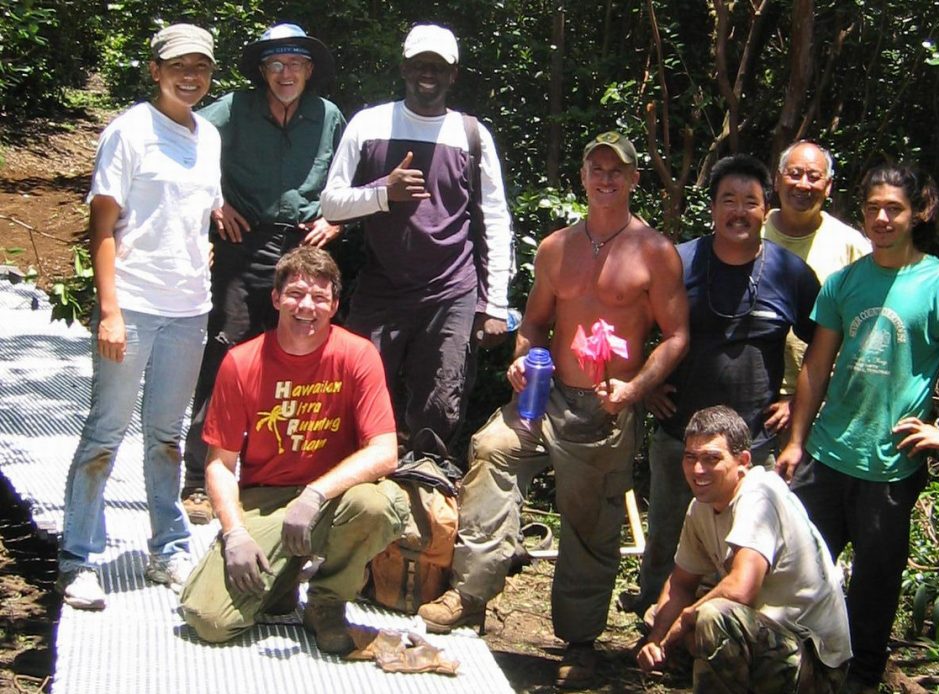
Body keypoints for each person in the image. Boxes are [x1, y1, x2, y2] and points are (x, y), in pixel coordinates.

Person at [417, 131, 690, 688]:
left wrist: (634, 389)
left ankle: (580, 642)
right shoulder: (556, 247)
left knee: (591, 523)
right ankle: (470, 596)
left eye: (618, 171)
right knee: (491, 452)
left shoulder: (655, 252)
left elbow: (677, 335)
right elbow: (536, 322)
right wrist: (522, 359)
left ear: (634, 179)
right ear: (584, 176)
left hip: (605, 408)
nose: (606, 179)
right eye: (597, 168)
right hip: (545, 396)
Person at [776, 163, 939, 692]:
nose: (881, 218)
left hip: (891, 464)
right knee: (809, 574)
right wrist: (796, 442)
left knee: (875, 585)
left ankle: (862, 678)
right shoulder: (846, 282)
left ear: (918, 212)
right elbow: (816, 366)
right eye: (873, 207)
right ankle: (807, 675)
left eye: (893, 209)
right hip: (828, 454)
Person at [56, 25, 221, 611]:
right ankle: (79, 556)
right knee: (105, 432)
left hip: (189, 309)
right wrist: (109, 311)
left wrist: (203, 248)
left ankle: (168, 548)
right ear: (155, 69)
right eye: (179, 65)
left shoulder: (209, 137)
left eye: (201, 65)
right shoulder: (127, 132)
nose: (190, 75)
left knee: (167, 436)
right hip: (134, 304)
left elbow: (197, 214)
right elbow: (103, 227)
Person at [179, 246, 407, 655]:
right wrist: (233, 533)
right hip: (265, 499)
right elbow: (219, 464)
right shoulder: (241, 362)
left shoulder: (357, 355)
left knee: (379, 503)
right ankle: (280, 582)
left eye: (320, 297)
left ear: (335, 306)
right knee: (208, 620)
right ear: (275, 298)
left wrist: (315, 493)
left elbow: (385, 451)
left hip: (334, 500)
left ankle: (326, 603)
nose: (307, 306)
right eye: (296, 294)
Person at [625, 154, 820, 616]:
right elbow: (633, 323)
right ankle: (651, 625)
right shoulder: (680, 261)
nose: (738, 211)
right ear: (712, 208)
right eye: (727, 200)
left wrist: (796, 400)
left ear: (765, 210)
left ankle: (725, 635)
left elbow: (826, 344)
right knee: (666, 536)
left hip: (755, 442)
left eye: (749, 202)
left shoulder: (791, 274)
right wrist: (643, 383)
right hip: (679, 434)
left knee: (750, 546)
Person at [319, 23, 513, 450]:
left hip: (451, 290)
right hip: (380, 287)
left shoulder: (472, 135)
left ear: (453, 74)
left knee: (440, 399)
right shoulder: (368, 125)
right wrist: (383, 193)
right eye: (420, 63)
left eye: (438, 66)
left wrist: (495, 302)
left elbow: (495, 218)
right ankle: (358, 478)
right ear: (404, 67)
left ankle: (427, 478)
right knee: (356, 386)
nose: (429, 72)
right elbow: (331, 204)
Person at [180, 23, 345, 525]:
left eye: (295, 63)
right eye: (276, 64)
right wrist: (216, 201)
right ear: (262, 70)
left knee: (297, 357)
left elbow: (350, 175)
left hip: (304, 247)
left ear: (310, 70)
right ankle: (197, 477)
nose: (285, 72)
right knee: (226, 351)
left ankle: (277, 474)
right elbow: (182, 136)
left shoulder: (328, 116)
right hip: (242, 242)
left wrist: (336, 219)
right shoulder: (232, 109)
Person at [636, 406, 851, 692]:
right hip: (767, 639)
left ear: (743, 461)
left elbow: (741, 589)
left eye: (712, 459)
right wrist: (657, 640)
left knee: (712, 618)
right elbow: (680, 583)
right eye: (691, 458)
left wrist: (685, 621)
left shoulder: (759, 496)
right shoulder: (701, 507)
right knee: (661, 614)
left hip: (813, 660)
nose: (698, 470)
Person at [763, 140, 870, 400]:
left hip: (822, 399)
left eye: (814, 177)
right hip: (753, 392)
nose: (803, 184)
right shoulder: (751, 233)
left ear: (829, 185)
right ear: (777, 180)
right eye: (795, 174)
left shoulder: (851, 245)